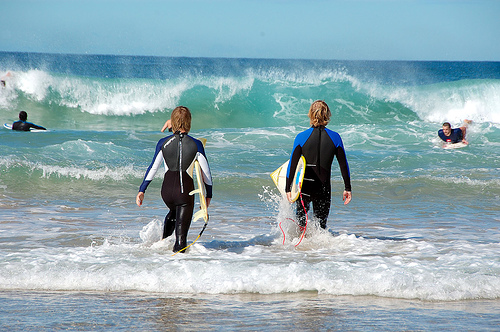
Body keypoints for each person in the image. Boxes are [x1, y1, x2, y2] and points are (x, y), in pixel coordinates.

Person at [136, 106, 213, 253]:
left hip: (166, 193)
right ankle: (177, 267)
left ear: (172, 123)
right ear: (189, 122)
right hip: (185, 194)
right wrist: (208, 195)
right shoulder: (196, 145)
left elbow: (153, 168)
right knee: (181, 240)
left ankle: (162, 243)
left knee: (174, 211)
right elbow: (206, 174)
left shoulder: (162, 143)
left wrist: (142, 190)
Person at [285, 100, 352, 229]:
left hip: (304, 188)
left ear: (310, 114)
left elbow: (292, 165)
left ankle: (300, 248)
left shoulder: (301, 137)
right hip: (323, 188)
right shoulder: (335, 137)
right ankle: (320, 249)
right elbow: (343, 165)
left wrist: (288, 188)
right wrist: (347, 188)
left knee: (301, 225)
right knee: (321, 227)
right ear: (327, 115)